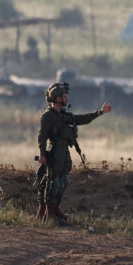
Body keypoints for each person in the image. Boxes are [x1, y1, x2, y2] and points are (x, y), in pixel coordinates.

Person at [37, 82, 111, 225]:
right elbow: (42, 136)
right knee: (53, 183)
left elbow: (83, 119)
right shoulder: (48, 116)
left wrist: (100, 112)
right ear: (56, 98)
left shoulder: (64, 115)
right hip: (54, 152)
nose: (66, 99)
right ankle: (48, 213)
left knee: (64, 181)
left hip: (64, 152)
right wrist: (42, 154)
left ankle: (56, 209)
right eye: (64, 96)